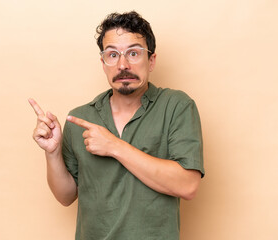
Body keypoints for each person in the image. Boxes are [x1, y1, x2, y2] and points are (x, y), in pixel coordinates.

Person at [28, 11, 204, 240]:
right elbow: (66, 196)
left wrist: (114, 146)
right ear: (103, 63)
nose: (123, 64)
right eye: (112, 55)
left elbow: (188, 185)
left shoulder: (176, 106)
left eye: (133, 53)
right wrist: (52, 153)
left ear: (151, 61)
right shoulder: (80, 118)